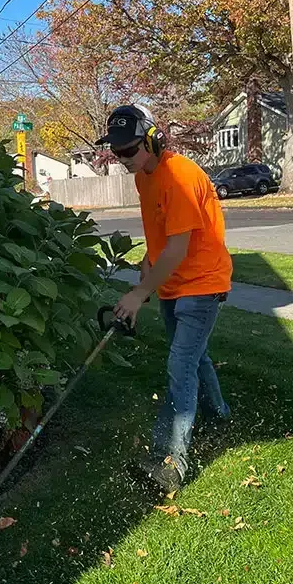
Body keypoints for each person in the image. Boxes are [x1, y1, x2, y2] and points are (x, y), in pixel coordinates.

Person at [95, 104, 233, 492]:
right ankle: (218, 414)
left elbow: (178, 247)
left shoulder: (180, 176)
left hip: (202, 283)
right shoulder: (145, 176)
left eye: (130, 150)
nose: (123, 159)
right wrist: (146, 263)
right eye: (117, 151)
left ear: (153, 140)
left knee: (180, 366)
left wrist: (140, 293)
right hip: (173, 282)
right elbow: (161, 235)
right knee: (194, 355)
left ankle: (169, 462)